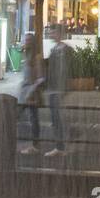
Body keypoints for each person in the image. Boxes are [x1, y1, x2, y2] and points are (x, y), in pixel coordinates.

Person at [44, 26, 73, 157]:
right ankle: (61, 145)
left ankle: (61, 147)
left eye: (53, 32)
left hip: (57, 89)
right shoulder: (56, 49)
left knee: (57, 118)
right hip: (53, 89)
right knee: (56, 118)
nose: (50, 34)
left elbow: (64, 71)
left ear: (59, 34)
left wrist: (62, 88)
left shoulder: (63, 50)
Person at [18, 32, 44, 155]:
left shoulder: (37, 58)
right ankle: (31, 143)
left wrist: (31, 90)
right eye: (25, 40)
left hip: (32, 94)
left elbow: (41, 78)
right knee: (24, 117)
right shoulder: (26, 55)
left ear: (32, 43)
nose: (26, 42)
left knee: (33, 118)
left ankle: (35, 145)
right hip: (25, 93)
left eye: (28, 40)